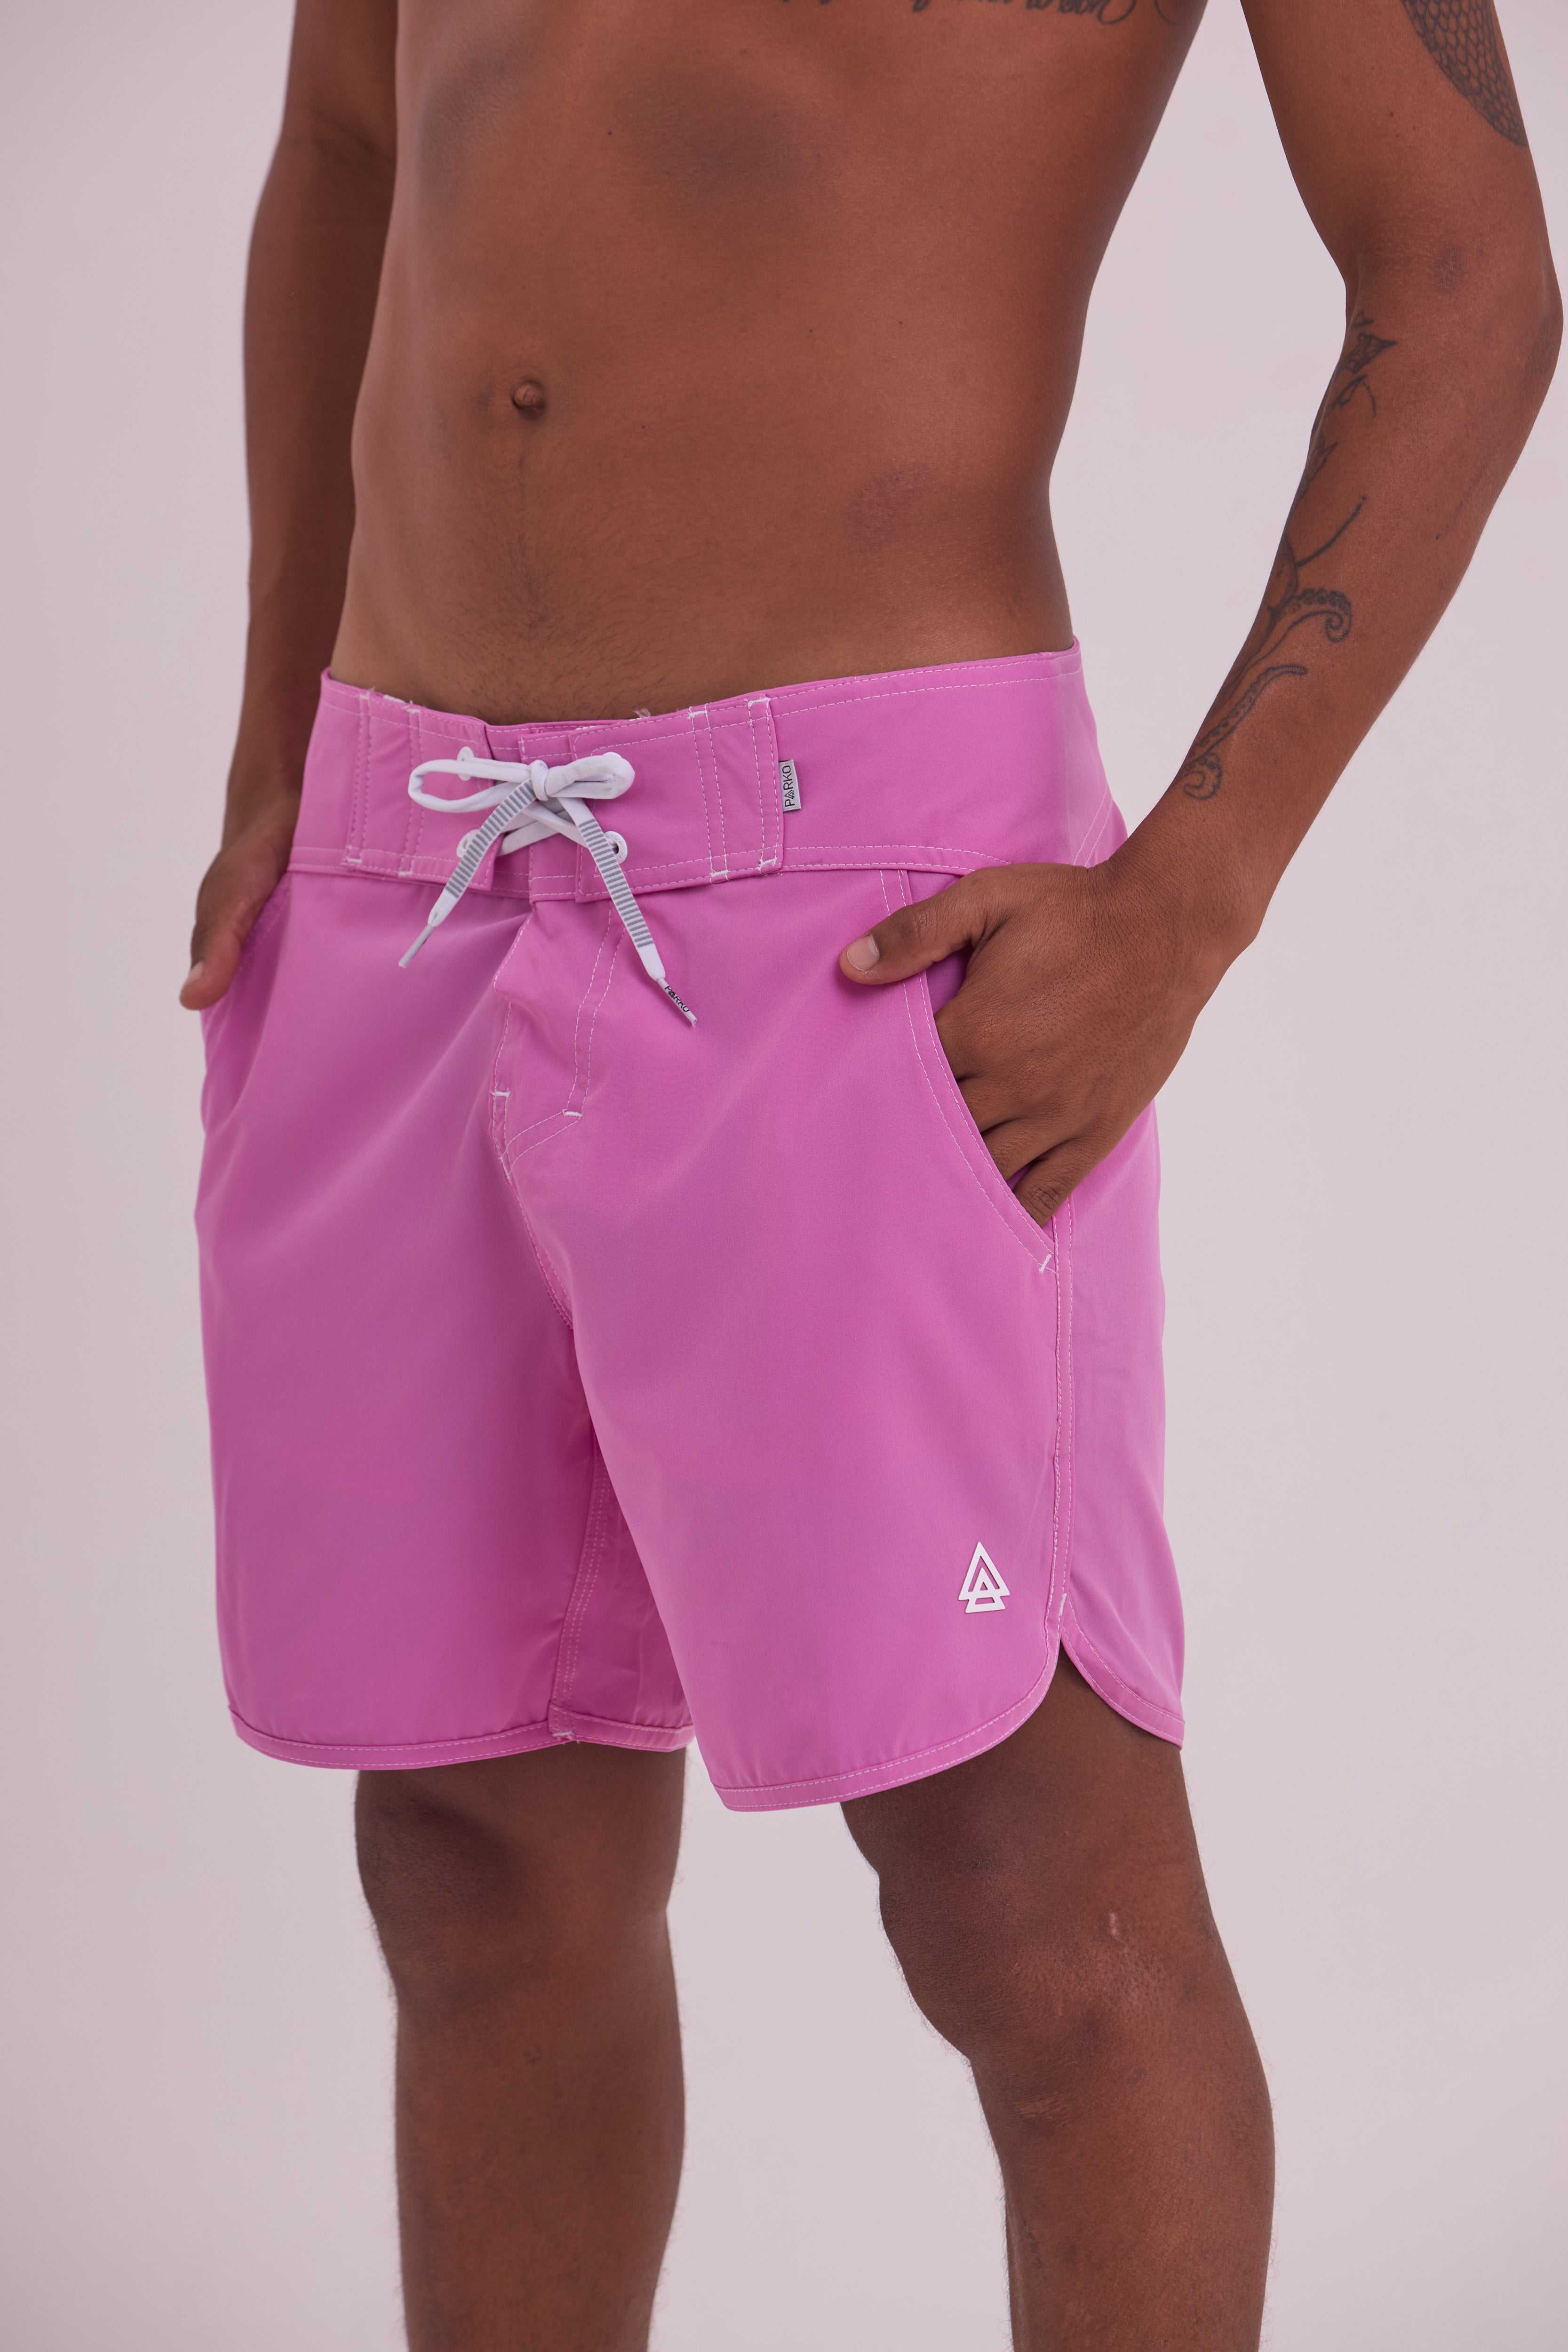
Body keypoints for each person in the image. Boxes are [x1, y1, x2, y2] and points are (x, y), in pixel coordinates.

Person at [182, 1, 1557, 2343]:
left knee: (1032, 1899)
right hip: (406, 862)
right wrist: (273, 759)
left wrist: (1191, 896)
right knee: (470, 1846)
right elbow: (343, 137)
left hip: (864, 915)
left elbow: (1466, 267)